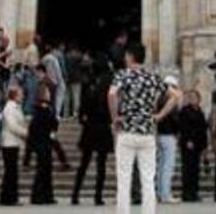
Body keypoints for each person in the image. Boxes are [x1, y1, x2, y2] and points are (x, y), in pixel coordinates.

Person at [108, 41, 179, 214]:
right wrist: (160, 115)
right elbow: (175, 96)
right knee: (148, 179)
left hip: (127, 130)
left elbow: (111, 94)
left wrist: (115, 117)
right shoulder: (153, 77)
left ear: (130, 57)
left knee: (124, 178)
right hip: (147, 132)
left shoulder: (122, 75)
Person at [72, 55, 113, 206]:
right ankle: (98, 196)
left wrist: (84, 120)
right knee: (101, 164)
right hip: (102, 126)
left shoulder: (88, 82)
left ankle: (75, 194)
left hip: (90, 127)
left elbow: (82, 109)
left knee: (84, 162)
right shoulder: (108, 83)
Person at [0, 86, 28, 206]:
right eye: (20, 94)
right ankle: (8, 197)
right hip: (9, 143)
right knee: (11, 171)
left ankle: (9, 196)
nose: (23, 96)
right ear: (14, 95)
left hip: (14, 143)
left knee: (12, 171)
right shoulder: (10, 108)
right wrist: (26, 133)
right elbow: (12, 125)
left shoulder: (15, 107)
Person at [28, 87, 59, 205]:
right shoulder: (43, 111)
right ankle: (39, 195)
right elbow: (50, 124)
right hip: (43, 143)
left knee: (45, 171)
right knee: (42, 171)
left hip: (44, 143)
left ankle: (46, 195)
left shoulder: (45, 110)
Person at [177, 90, 208, 202]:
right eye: (191, 97)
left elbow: (203, 129)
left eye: (195, 97)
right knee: (187, 169)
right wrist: (187, 140)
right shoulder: (185, 111)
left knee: (195, 169)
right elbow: (182, 127)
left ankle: (194, 192)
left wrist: (205, 146)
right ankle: (186, 193)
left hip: (198, 144)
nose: (193, 99)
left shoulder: (200, 111)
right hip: (188, 144)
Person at [154, 75, 181, 204]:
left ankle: (160, 193)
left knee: (160, 166)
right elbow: (175, 120)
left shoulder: (159, 99)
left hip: (159, 134)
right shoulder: (170, 100)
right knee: (167, 166)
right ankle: (165, 194)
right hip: (168, 135)